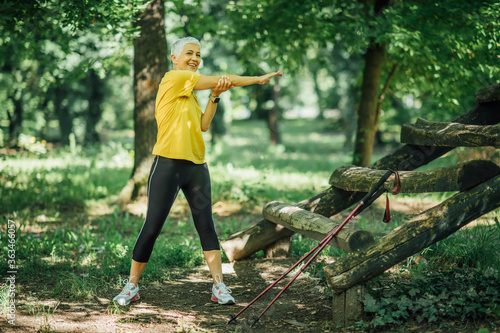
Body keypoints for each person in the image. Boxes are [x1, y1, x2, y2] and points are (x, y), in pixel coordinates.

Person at [113, 36, 282, 306]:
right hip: (167, 165)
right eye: (189, 53)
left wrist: (214, 97)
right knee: (152, 226)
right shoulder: (173, 79)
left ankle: (219, 286)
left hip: (196, 168)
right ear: (175, 58)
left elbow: (203, 125)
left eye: (198, 54)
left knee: (206, 226)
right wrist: (257, 79)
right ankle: (131, 286)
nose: (194, 58)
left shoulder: (189, 94)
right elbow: (221, 78)